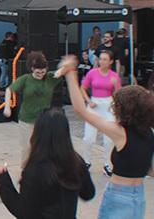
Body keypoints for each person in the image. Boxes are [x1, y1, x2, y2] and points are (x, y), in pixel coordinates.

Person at [58, 56, 154, 219]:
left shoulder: (120, 132)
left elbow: (81, 111)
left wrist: (70, 74)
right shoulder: (149, 133)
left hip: (119, 195)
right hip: (139, 196)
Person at [0, 108, 95, 218]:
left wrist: (3, 180)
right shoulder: (76, 162)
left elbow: (23, 212)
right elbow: (88, 194)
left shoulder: (35, 169)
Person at [3, 51, 63, 166]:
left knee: (45, 148)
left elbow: (65, 70)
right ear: (32, 68)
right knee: (27, 148)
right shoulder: (26, 79)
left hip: (44, 121)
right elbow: (9, 90)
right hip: (26, 119)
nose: (41, 74)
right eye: (38, 71)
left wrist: (64, 66)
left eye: (43, 71)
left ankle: (43, 172)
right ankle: (25, 173)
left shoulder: (50, 78)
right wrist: (7, 107)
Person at [80, 50, 121, 176]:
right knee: (88, 138)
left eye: (104, 59)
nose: (101, 62)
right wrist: (88, 101)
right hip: (94, 105)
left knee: (109, 139)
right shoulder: (92, 73)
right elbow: (82, 88)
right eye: (100, 59)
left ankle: (107, 164)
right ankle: (87, 161)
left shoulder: (114, 76)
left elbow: (119, 95)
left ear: (110, 62)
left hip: (108, 106)